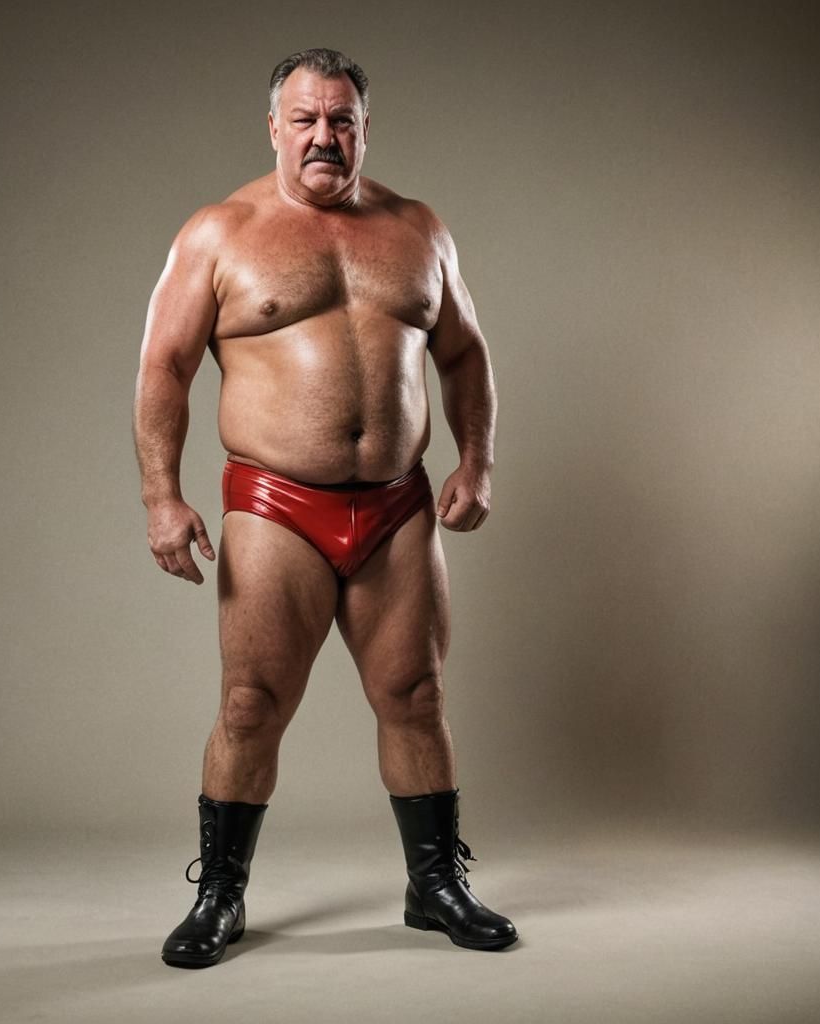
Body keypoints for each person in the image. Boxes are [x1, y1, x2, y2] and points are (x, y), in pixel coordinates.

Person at [133, 48, 517, 968]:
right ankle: (219, 898)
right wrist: (161, 495)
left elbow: (465, 353)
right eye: (304, 119)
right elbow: (164, 368)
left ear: (364, 128)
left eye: (340, 120)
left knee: (416, 697)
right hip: (275, 504)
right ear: (274, 127)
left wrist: (479, 461)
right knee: (251, 702)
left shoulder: (419, 229)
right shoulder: (219, 232)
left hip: (398, 505)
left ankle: (436, 886)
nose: (323, 136)